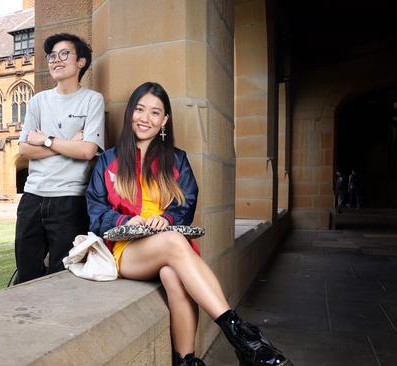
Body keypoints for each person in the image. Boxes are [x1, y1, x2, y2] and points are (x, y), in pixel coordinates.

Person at [86, 82, 291, 366]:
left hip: (168, 245)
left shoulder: (176, 159)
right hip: (127, 250)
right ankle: (246, 340)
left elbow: (186, 204)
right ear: (130, 112)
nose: (145, 118)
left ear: (165, 120)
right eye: (140, 109)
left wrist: (166, 218)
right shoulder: (108, 159)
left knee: (173, 275)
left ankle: (187, 361)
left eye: (155, 113)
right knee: (174, 243)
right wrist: (126, 219)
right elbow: (96, 212)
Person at [15, 33, 105, 283]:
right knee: (26, 275)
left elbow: (88, 151)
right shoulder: (38, 101)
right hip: (32, 198)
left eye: (64, 54)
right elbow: (24, 149)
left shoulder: (92, 100)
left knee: (62, 277)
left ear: (81, 62)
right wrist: (68, 144)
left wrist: (46, 140)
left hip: (69, 200)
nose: (56, 60)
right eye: (52, 56)